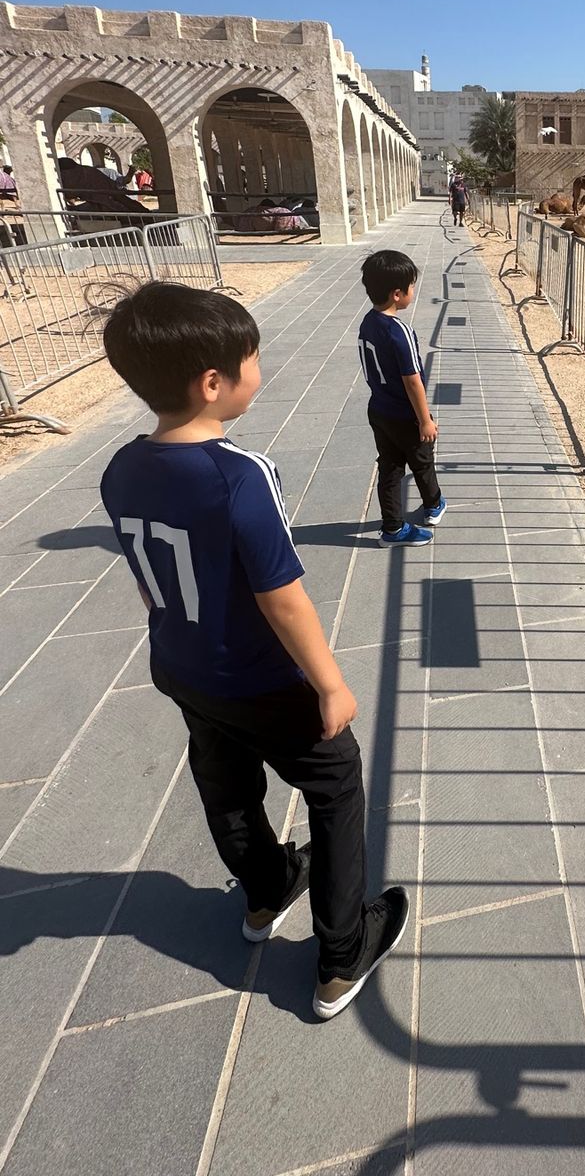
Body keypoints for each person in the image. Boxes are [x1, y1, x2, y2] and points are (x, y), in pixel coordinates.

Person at [99, 282, 409, 1021]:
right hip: (261, 681)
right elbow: (283, 596)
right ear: (214, 383)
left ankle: (265, 888)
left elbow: (149, 581)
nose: (259, 370)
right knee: (334, 788)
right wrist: (329, 682)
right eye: (253, 359)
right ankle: (342, 953)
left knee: (224, 778)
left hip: (180, 663)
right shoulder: (239, 475)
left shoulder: (120, 468)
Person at [357, 250, 445, 545]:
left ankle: (392, 527)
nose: (412, 291)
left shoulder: (368, 322)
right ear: (397, 294)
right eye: (411, 287)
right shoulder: (399, 331)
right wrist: (425, 420)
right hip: (405, 414)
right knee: (422, 461)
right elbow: (412, 380)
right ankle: (433, 505)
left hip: (379, 409)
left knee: (390, 468)